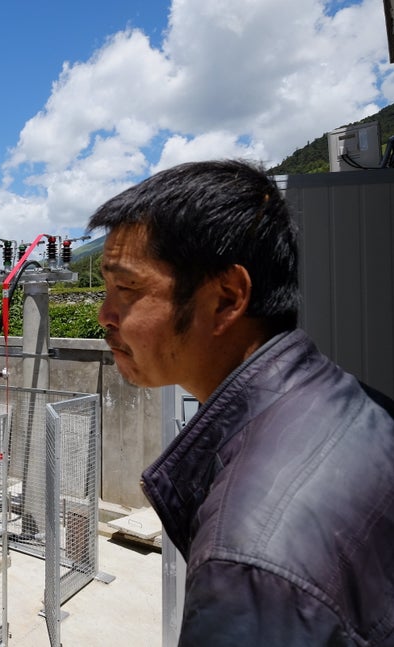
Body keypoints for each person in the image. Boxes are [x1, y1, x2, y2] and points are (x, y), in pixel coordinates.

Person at [87, 159, 394, 646]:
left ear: (228, 299)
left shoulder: (247, 561)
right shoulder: (358, 408)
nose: (105, 314)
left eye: (126, 288)